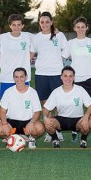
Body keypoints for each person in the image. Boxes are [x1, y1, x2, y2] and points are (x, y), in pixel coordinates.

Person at [31, 12, 67, 142]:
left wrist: (57, 59)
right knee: (45, 103)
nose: (44, 24)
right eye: (42, 22)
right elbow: (31, 53)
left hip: (57, 73)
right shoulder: (36, 38)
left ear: (51, 22)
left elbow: (66, 51)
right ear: (39, 24)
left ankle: (57, 129)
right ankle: (49, 129)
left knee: (57, 103)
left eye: (47, 21)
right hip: (41, 73)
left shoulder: (59, 35)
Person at [62, 17, 91, 141]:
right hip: (75, 80)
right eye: (78, 27)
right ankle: (75, 129)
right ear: (74, 28)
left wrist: (89, 62)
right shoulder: (70, 43)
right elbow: (64, 56)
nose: (80, 29)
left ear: (87, 27)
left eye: (83, 27)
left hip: (90, 78)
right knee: (75, 106)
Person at [0, 68, 45, 149]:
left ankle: (31, 139)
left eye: (21, 76)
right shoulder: (8, 92)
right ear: (13, 78)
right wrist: (4, 124)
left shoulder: (33, 92)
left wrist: (32, 122)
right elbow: (2, 111)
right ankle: (10, 138)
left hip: (27, 123)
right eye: (16, 77)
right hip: (11, 123)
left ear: (26, 77)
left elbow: (37, 111)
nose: (19, 79)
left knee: (40, 128)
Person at [43, 66, 91, 148]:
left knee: (86, 124)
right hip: (61, 120)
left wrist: (86, 116)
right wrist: (45, 117)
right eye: (65, 76)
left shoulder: (80, 90)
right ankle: (55, 139)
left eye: (70, 76)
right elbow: (46, 108)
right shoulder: (56, 92)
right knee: (48, 124)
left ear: (74, 77)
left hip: (77, 120)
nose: (68, 78)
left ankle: (83, 139)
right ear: (61, 77)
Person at [0, 14, 34, 99]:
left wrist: (54, 31)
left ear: (22, 25)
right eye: (13, 25)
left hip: (24, 78)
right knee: (5, 105)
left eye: (19, 25)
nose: (16, 27)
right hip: (7, 77)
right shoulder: (2, 38)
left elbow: (43, 37)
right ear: (9, 25)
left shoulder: (28, 36)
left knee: (24, 104)